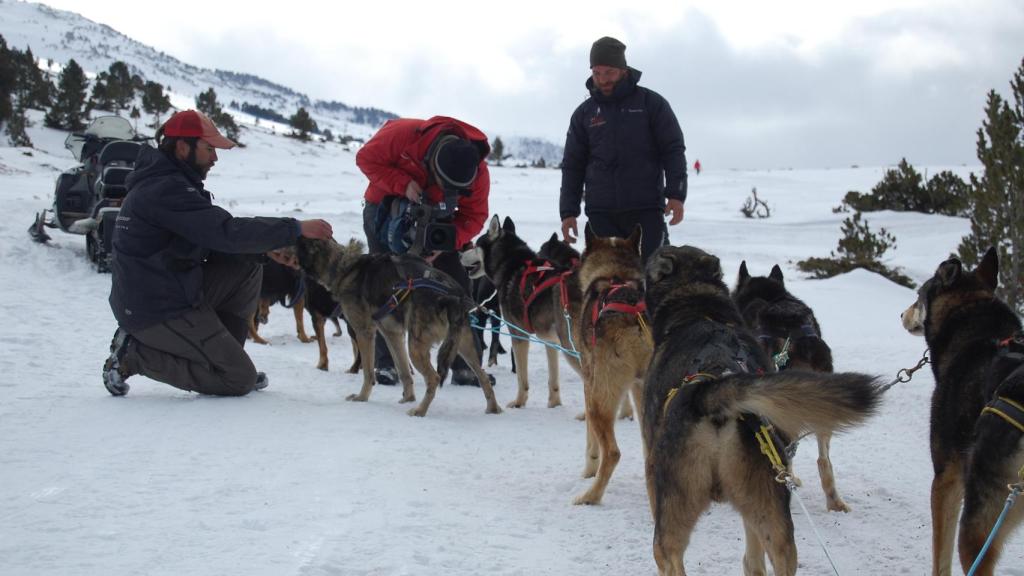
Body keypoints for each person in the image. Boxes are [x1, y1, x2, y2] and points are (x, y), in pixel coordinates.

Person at [103, 109, 333, 397]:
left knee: (249, 266)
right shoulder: (164, 190)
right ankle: (134, 355)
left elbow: (214, 239)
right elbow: (225, 231)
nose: (215, 158)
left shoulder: (172, 182)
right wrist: (295, 228)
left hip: (173, 289)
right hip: (154, 308)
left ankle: (222, 358)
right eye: (209, 148)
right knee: (238, 380)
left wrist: (266, 249)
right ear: (183, 147)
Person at [356, 116, 491, 387]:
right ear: (432, 163)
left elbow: (474, 216)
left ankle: (465, 365)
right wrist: (402, 184)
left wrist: (445, 246)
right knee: (383, 287)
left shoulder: (478, 172)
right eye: (444, 185)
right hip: (384, 212)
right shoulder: (403, 134)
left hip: (440, 225)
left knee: (456, 286)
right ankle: (388, 365)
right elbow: (365, 158)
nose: (447, 191)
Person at [559, 36, 688, 262]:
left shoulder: (651, 104)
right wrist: (568, 212)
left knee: (652, 276)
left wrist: (676, 195)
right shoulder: (584, 114)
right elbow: (573, 165)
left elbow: (673, 150)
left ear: (623, 70)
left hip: (646, 210)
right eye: (597, 73)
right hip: (601, 213)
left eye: (609, 72)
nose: (602, 79)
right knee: (607, 282)